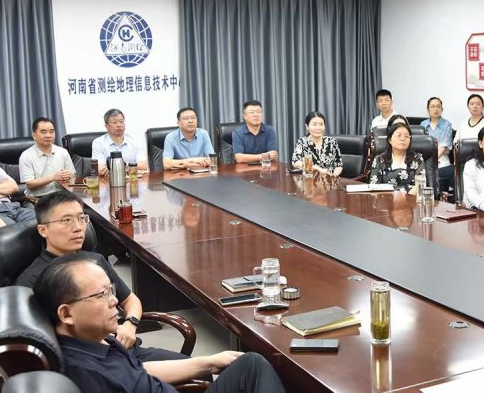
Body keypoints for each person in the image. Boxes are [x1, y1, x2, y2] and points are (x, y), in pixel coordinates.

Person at [33, 254, 286, 393]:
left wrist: (208, 362)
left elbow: (138, 372)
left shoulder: (93, 341)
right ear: (66, 314)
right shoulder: (85, 373)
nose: (115, 302)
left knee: (250, 364)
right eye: (101, 295)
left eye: (111, 291)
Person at [16, 191, 190, 362]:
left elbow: (130, 300)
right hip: (92, 361)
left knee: (196, 369)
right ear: (43, 230)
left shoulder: (95, 260)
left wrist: (130, 323)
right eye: (66, 220)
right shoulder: (30, 281)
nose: (78, 227)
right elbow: (39, 342)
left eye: (81, 218)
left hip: (124, 349)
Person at [19, 117, 75, 196]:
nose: (48, 135)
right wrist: (53, 178)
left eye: (51, 132)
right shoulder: (26, 156)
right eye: (44, 132)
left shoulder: (63, 152)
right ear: (34, 135)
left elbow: (72, 176)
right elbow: (30, 184)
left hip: (61, 195)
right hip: (37, 198)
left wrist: (68, 177)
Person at [369, 124, 424, 194]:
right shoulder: (379, 160)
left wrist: (406, 198)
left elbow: (420, 185)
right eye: (399, 135)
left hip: (411, 198)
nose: (402, 139)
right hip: (386, 199)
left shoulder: (417, 159)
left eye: (406, 136)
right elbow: (374, 186)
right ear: (390, 140)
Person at [92, 109, 148, 176]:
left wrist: (122, 166)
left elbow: (143, 166)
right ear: (106, 126)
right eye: (114, 122)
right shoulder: (98, 143)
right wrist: (132, 167)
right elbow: (99, 169)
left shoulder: (135, 140)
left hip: (132, 180)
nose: (119, 125)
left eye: (121, 121)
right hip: (109, 181)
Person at [291, 111, 343, 176]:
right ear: (307, 126)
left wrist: (333, 176)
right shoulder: (302, 142)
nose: (318, 128)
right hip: (309, 180)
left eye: (321, 124)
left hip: (329, 179)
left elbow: (339, 165)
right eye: (314, 124)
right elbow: (295, 162)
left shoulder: (332, 141)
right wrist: (316, 168)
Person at [420, 97, 454, 194]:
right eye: (433, 106)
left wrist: (434, 160)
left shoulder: (447, 124)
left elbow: (444, 146)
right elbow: (421, 146)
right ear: (428, 109)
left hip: (442, 160)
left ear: (442, 109)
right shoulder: (423, 124)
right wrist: (428, 161)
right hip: (426, 159)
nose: (436, 109)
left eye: (438, 107)